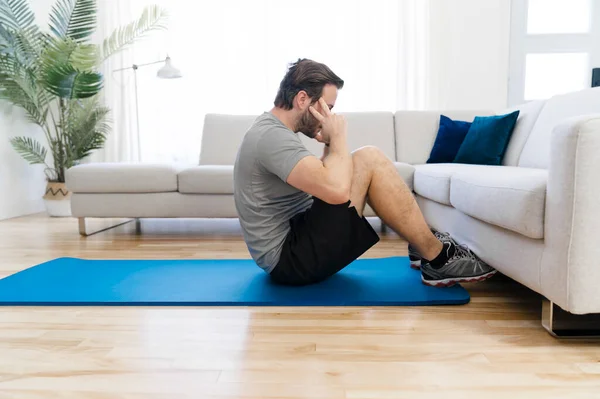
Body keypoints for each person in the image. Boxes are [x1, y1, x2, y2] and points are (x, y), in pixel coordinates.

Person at [233, 58, 496, 287]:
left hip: (297, 240)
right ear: (302, 99)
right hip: (290, 260)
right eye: (327, 108)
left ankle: (423, 245)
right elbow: (336, 191)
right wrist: (338, 137)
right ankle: (438, 258)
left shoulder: (274, 131)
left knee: (363, 159)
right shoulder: (271, 137)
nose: (329, 116)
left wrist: (328, 143)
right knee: (368, 158)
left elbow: (325, 179)